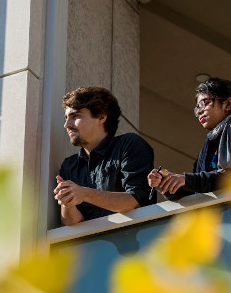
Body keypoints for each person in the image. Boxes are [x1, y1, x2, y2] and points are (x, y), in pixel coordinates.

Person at [148, 77, 231, 200]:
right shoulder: (208, 144)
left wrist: (187, 180)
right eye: (197, 108)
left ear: (228, 104)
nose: (199, 112)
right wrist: (167, 182)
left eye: (204, 103)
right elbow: (196, 192)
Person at [54, 87, 156, 226]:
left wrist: (83, 193)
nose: (66, 125)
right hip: (90, 246)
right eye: (66, 118)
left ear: (101, 117)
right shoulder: (69, 166)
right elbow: (72, 223)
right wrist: (67, 202)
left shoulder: (129, 144)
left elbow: (135, 201)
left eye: (75, 116)